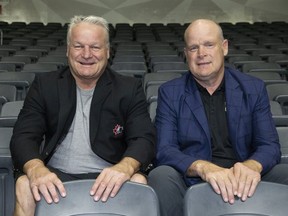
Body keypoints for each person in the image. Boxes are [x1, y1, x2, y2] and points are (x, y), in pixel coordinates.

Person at [10, 15, 156, 216]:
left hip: (108, 175)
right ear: (68, 49)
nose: (87, 54)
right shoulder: (45, 85)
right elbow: (23, 136)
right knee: (25, 183)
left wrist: (125, 167)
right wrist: (36, 169)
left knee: (138, 181)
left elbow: (144, 138)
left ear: (107, 51)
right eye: (79, 46)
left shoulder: (128, 88)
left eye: (95, 47)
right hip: (55, 175)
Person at [148, 19, 288, 216]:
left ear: (224, 48)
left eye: (208, 44)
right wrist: (203, 168)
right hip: (194, 179)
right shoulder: (170, 93)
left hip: (242, 175)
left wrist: (250, 167)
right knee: (161, 176)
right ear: (186, 54)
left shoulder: (253, 88)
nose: (201, 53)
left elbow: (269, 146)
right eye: (193, 47)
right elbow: (165, 150)